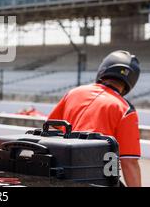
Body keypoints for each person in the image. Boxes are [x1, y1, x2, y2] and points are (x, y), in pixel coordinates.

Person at [47, 50, 142, 187]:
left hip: (59, 173)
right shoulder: (125, 109)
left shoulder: (73, 93)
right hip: (95, 177)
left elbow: (50, 128)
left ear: (103, 70)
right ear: (131, 81)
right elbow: (129, 162)